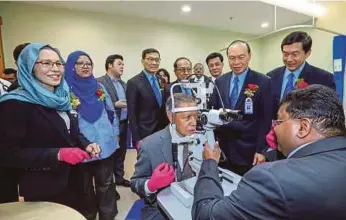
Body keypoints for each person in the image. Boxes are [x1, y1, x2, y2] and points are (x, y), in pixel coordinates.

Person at [192, 84, 346, 220]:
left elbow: (206, 214)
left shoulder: (271, 179)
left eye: (278, 122)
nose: (273, 129)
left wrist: (209, 162)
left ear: (303, 127)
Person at [0, 43, 100, 211]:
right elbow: (6, 153)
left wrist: (86, 144)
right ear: (29, 67)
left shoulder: (61, 97)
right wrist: (57, 154)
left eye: (58, 63)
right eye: (46, 63)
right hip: (43, 185)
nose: (55, 69)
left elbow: (69, 132)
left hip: (74, 179)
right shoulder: (15, 103)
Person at [256, 31, 337, 163]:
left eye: (295, 54)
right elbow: (265, 116)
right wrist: (262, 149)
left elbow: (328, 119)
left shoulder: (323, 78)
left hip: (306, 149)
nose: (289, 59)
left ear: (307, 53)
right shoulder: (271, 76)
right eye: (285, 54)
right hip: (274, 147)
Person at [65, 51, 119, 220]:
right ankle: (88, 215)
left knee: (106, 183)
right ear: (72, 67)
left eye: (88, 63)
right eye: (80, 63)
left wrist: (115, 133)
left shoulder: (98, 87)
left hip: (105, 144)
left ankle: (107, 215)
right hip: (80, 146)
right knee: (84, 186)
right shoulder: (65, 90)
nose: (85, 66)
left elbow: (111, 112)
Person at [131, 93, 198, 220]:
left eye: (196, 116)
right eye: (187, 117)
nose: (193, 123)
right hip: (160, 208)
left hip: (196, 204)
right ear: (171, 117)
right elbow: (135, 183)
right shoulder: (149, 145)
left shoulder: (202, 139)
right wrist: (150, 185)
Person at [211, 40, 272, 176]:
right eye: (232, 58)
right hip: (224, 149)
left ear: (249, 56)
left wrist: (261, 150)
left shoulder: (263, 81)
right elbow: (214, 111)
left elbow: (265, 119)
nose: (236, 62)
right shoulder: (220, 81)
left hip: (248, 150)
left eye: (241, 57)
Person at [98, 54, 130, 189]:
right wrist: (114, 104)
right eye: (119, 64)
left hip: (124, 123)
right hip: (109, 126)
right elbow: (96, 104)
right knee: (110, 155)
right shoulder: (99, 82)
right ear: (110, 65)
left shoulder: (124, 84)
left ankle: (119, 178)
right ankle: (109, 184)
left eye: (123, 64)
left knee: (121, 154)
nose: (122, 66)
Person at [126, 48, 167, 148]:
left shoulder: (160, 80)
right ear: (143, 61)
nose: (154, 62)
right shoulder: (134, 82)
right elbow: (132, 114)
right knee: (146, 162)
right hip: (145, 133)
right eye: (150, 59)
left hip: (162, 131)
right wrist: (137, 139)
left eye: (157, 60)